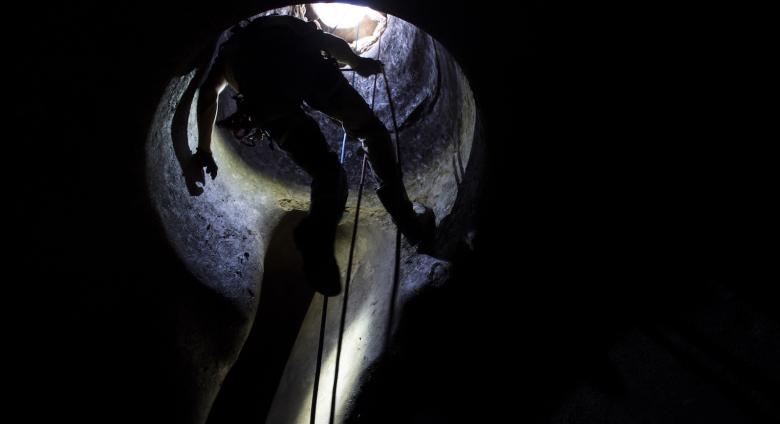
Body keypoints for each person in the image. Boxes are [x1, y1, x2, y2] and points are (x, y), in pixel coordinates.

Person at [184, 14, 434, 296]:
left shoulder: (231, 53)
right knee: (370, 131)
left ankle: (318, 234)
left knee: (327, 171)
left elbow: (207, 95)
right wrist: (358, 63)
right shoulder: (282, 23)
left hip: (263, 95)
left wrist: (204, 150)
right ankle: (406, 218)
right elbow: (329, 42)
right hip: (302, 62)